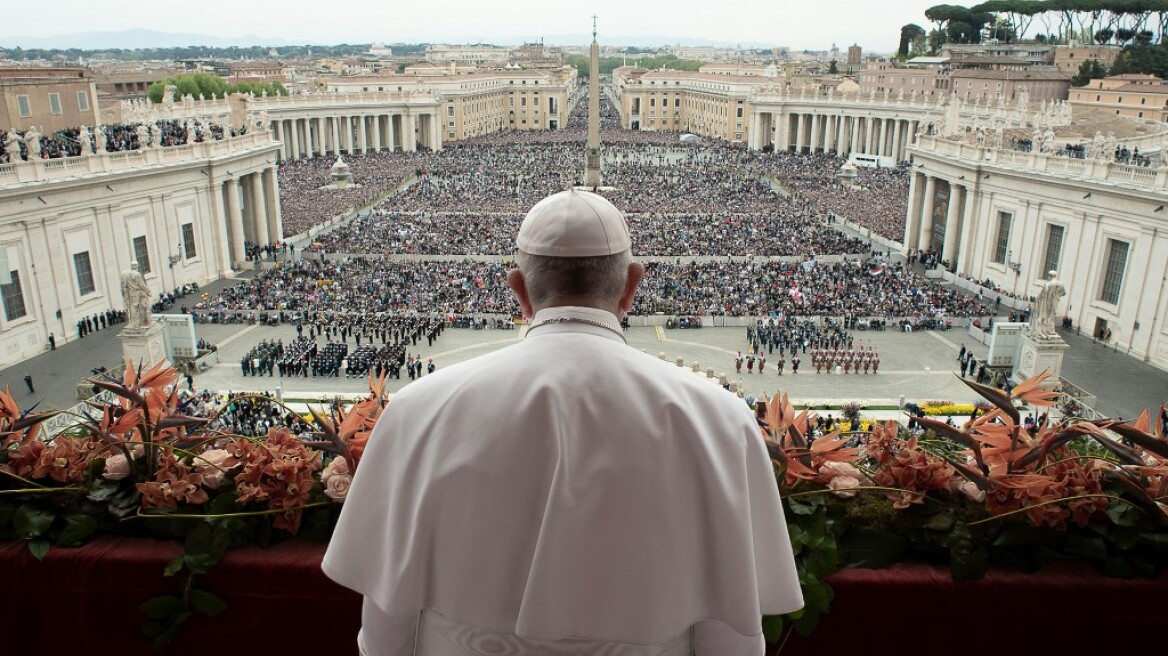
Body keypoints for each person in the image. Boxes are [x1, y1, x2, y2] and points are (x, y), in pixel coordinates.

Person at [323, 189, 803, 655]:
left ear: (519, 290)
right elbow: (730, 626)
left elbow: (388, 617)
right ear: (632, 284)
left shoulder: (417, 410)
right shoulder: (720, 419)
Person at [1030, 271, 1066, 338]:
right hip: (1054, 302)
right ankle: (1050, 330)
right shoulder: (1060, 284)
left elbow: (1041, 295)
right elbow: (1064, 293)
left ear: (1049, 276)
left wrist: (1036, 302)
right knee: (1052, 316)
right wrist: (1056, 295)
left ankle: (1044, 330)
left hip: (1046, 303)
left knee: (1044, 316)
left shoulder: (1048, 284)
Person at [120, 261, 153, 329]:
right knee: (141, 307)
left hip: (131, 294)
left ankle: (134, 323)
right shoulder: (137, 274)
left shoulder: (127, 274)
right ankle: (140, 323)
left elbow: (124, 286)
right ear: (137, 266)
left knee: (133, 308)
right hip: (138, 293)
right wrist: (148, 292)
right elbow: (142, 285)